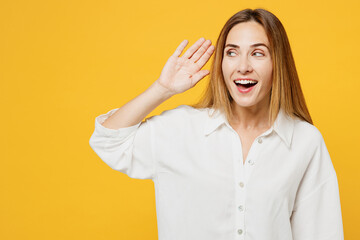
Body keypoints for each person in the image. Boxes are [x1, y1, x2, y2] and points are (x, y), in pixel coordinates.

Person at [89, 8, 344, 240]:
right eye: (232, 52)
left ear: (278, 63)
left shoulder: (305, 141)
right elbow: (108, 141)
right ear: (221, 63)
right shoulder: (181, 129)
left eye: (257, 53)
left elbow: (322, 232)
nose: (243, 66)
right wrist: (162, 89)